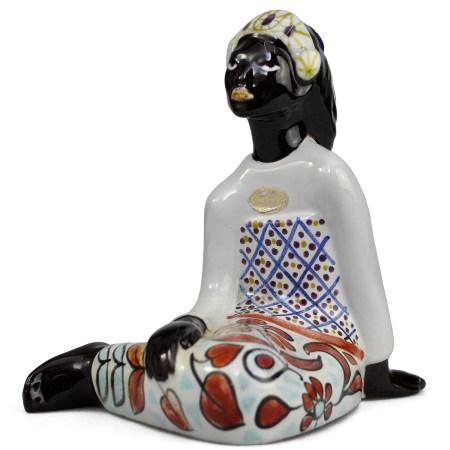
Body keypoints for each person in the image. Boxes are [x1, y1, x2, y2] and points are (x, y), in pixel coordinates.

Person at [22, 10, 425, 445]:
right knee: (214, 369)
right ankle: (98, 367)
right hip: (245, 332)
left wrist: (376, 367)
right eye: (235, 63)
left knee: (251, 392)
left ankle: (108, 375)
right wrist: (189, 324)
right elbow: (218, 295)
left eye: (265, 63)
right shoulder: (226, 198)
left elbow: (363, 279)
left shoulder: (329, 176)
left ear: (301, 79)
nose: (244, 73)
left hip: (326, 336)